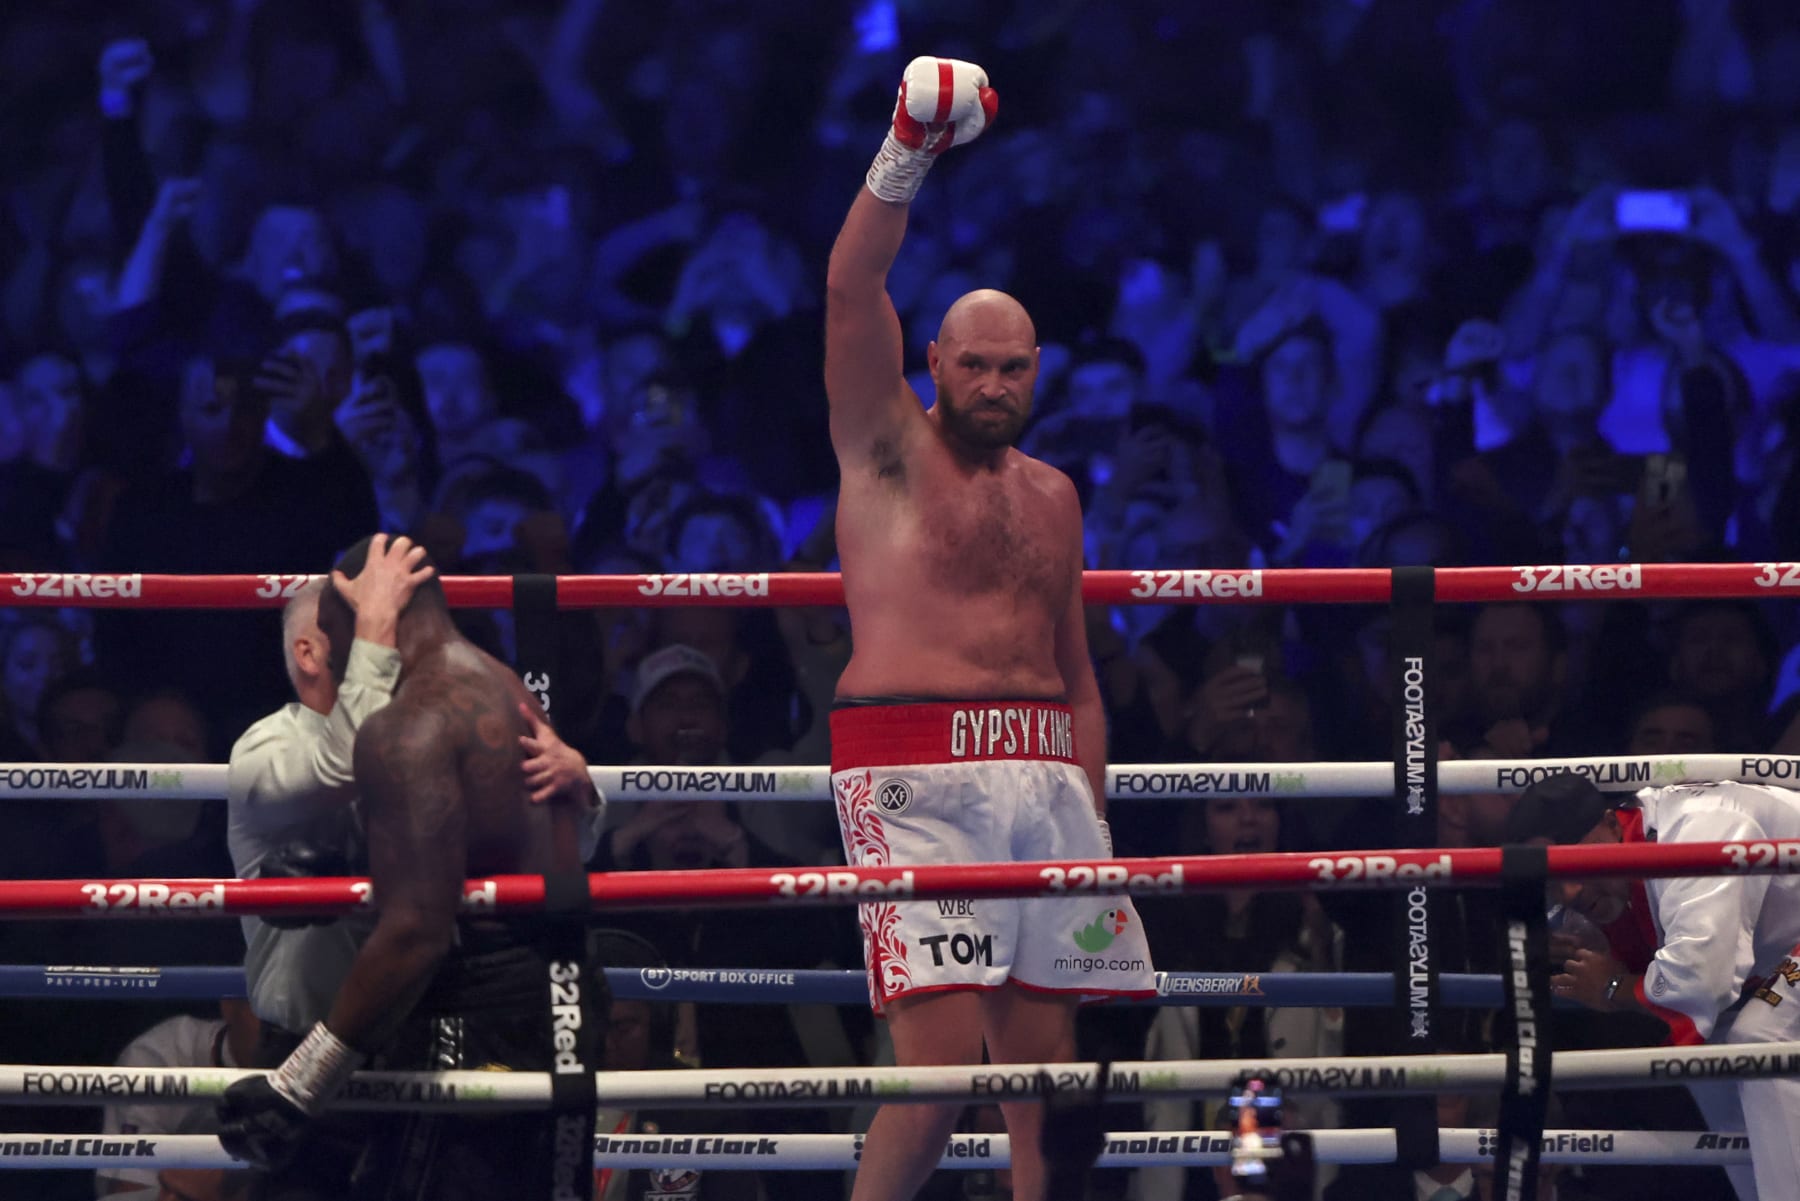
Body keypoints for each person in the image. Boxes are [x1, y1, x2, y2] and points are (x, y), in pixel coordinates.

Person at [823, 56, 1155, 1201]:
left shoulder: (1055, 494)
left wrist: (1091, 806)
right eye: (975, 364)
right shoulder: (888, 450)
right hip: (914, 768)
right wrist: (910, 143)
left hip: (1045, 772)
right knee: (936, 1064)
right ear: (935, 365)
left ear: (1038, 370)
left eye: (1015, 368)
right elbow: (850, 288)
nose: (996, 383)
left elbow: (1076, 673)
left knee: (1048, 1074)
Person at [217, 534, 605, 1199]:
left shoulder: (411, 725)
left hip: (456, 1011)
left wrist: (298, 1084)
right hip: (555, 995)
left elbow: (416, 931)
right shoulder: (499, 684)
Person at [1508, 772, 1800, 1201]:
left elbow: (1701, 979)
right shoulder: (1626, 847)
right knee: (1713, 1056)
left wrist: (1614, 986)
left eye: (1577, 865)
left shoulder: (1699, 833)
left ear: (1613, 824)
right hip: (1784, 955)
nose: (1569, 891)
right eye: (1552, 880)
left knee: (1760, 1040)